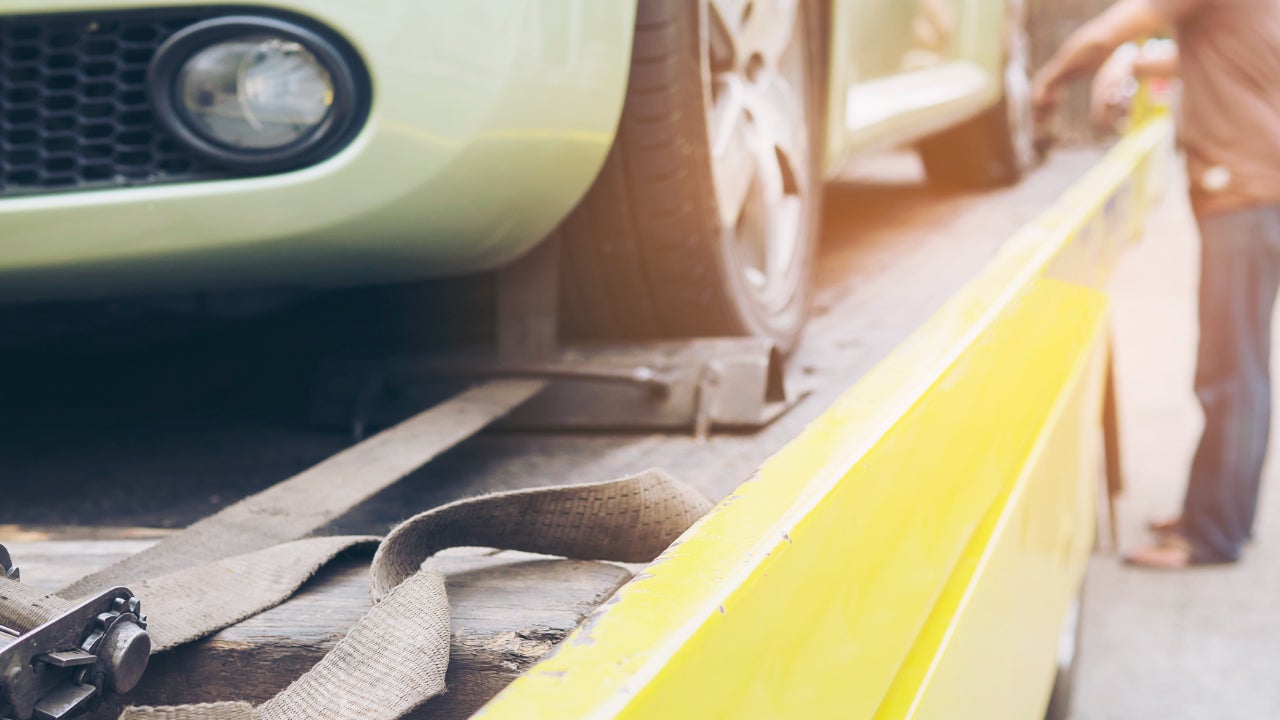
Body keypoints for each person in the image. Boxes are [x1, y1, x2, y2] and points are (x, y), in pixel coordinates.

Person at [1033, 0, 1280, 569]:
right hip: (1253, 196)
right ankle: (1221, 513)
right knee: (1240, 369)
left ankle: (1211, 534)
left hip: (1242, 197)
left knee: (1229, 373)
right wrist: (1134, 64)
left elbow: (1103, 33)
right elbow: (1200, 54)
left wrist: (1045, 84)